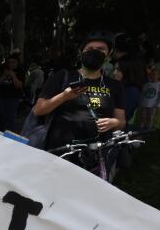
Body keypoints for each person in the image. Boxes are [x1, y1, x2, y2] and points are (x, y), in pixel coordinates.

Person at [34, 32, 126, 168]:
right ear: (81, 53)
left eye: (101, 49)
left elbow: (121, 121)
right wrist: (63, 96)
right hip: (60, 151)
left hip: (97, 153)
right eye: (89, 49)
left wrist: (114, 122)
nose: (95, 52)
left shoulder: (114, 85)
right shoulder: (62, 77)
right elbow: (39, 110)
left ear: (108, 54)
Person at [0, 52, 24, 132]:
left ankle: (9, 138)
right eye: (9, 62)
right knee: (2, 120)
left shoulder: (20, 72)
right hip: (2, 98)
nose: (11, 64)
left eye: (13, 62)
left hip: (13, 99)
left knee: (10, 120)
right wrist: (4, 76)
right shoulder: (4, 70)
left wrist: (13, 75)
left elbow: (19, 85)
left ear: (17, 63)